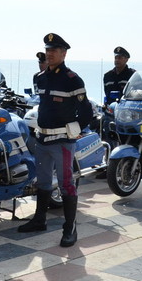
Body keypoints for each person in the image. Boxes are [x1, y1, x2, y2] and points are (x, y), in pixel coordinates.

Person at [18, 33, 93, 247]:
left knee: (66, 184)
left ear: (64, 53)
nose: (49, 53)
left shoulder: (72, 79)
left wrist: (77, 130)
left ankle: (70, 228)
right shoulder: (41, 77)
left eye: (53, 50)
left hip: (62, 142)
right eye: (47, 49)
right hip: (42, 140)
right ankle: (39, 220)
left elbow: (85, 109)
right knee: (42, 182)